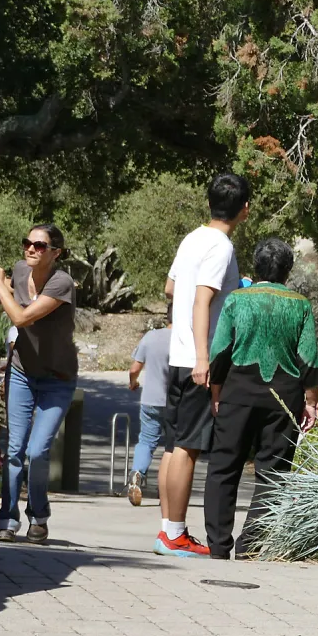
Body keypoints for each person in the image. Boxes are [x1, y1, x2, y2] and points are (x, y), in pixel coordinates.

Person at [204, 238, 318, 558]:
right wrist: (313, 402)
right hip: (283, 399)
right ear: (288, 271)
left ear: (256, 267)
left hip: (237, 393)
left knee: (223, 467)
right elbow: (309, 358)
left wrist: (217, 393)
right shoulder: (300, 304)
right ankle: (249, 546)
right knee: (273, 473)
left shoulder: (236, 300)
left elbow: (219, 352)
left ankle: (218, 547)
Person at [155, 173, 250, 557]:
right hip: (197, 357)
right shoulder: (221, 245)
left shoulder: (192, 238)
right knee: (189, 448)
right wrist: (202, 357)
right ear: (245, 208)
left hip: (176, 354)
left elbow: (171, 288)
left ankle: (167, 530)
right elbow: (200, 301)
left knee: (173, 445)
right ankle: (175, 534)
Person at [0, 224, 77, 543]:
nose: (30, 249)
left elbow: (23, 318)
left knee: (37, 451)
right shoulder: (18, 270)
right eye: (27, 243)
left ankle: (38, 515)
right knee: (14, 449)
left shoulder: (61, 283)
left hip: (58, 379)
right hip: (22, 371)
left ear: (56, 253)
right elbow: (10, 300)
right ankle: (7, 519)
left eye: (40, 246)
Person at [126, 316, 171, 506]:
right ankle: (169, 489)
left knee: (146, 440)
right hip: (175, 401)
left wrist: (133, 382)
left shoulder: (151, 336)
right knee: (175, 446)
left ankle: (137, 472)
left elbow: (134, 368)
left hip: (150, 399)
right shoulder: (188, 338)